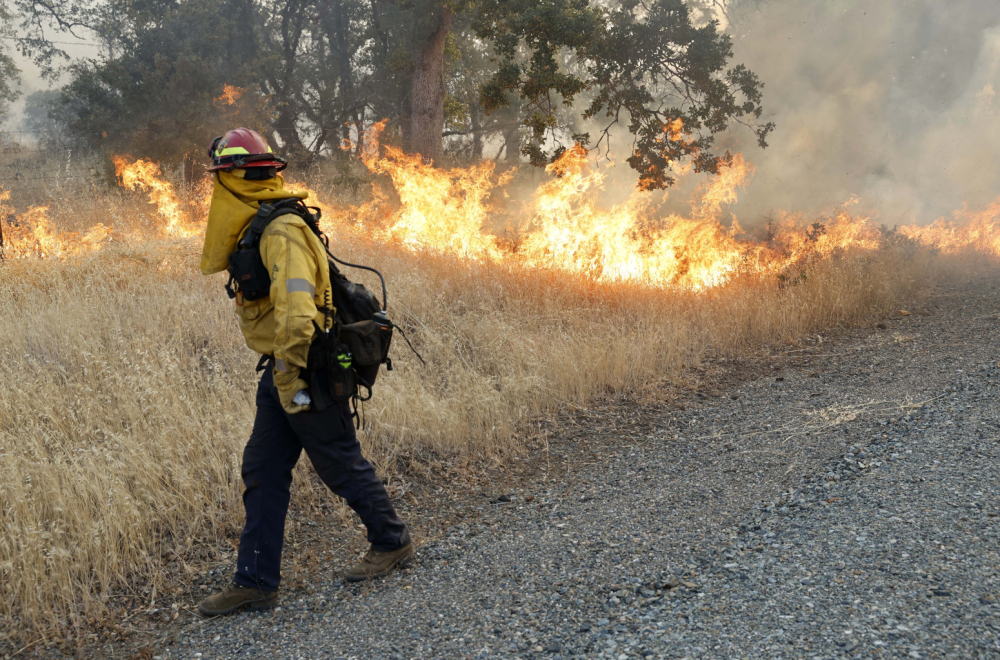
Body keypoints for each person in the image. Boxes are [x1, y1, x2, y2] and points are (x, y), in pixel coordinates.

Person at [196, 128, 412, 617]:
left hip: (303, 368)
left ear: (234, 176)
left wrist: (290, 376)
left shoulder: (281, 232)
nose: (216, 187)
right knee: (263, 469)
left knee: (338, 461)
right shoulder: (263, 221)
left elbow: (297, 314)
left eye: (220, 176)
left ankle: (392, 541)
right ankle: (255, 582)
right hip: (285, 366)